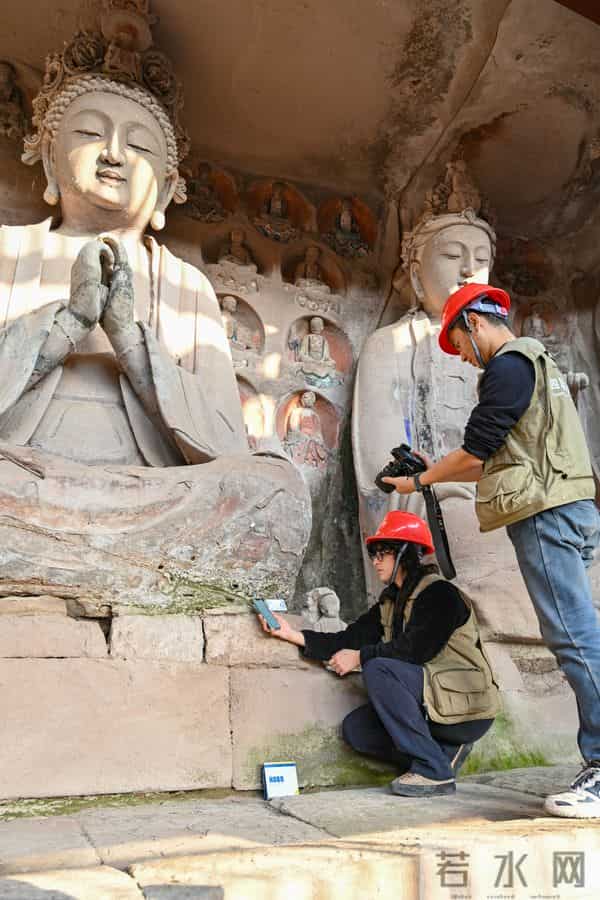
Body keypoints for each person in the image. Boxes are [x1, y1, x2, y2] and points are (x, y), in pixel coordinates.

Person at [382, 281, 600, 818]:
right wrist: (432, 472)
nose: (463, 357)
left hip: (546, 514)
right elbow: (493, 457)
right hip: (568, 506)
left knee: (573, 639)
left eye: (459, 345)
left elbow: (477, 448)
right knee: (580, 634)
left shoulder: (506, 365)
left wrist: (420, 482)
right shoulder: (535, 365)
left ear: (473, 323)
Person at [259, 510, 498, 797]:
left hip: (465, 710)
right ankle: (442, 755)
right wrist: (291, 634)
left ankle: (432, 771)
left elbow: (415, 650)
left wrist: (359, 657)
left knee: (378, 667)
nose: (375, 562)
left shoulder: (441, 595)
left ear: (405, 554)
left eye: (381, 554)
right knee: (357, 731)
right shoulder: (390, 602)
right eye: (373, 554)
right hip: (434, 706)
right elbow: (349, 637)